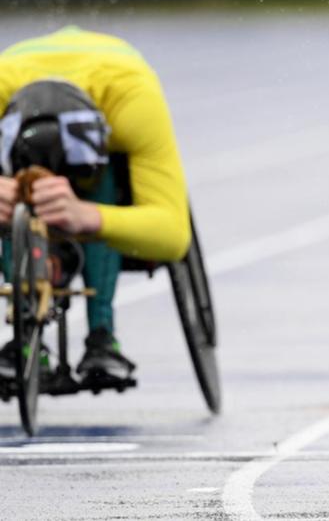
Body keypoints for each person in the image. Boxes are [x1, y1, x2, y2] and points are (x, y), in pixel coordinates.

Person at [0, 26, 191, 382]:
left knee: (105, 183)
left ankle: (102, 333)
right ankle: (24, 333)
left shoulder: (133, 104)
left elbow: (175, 236)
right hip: (18, 81)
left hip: (115, 82)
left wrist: (91, 216)